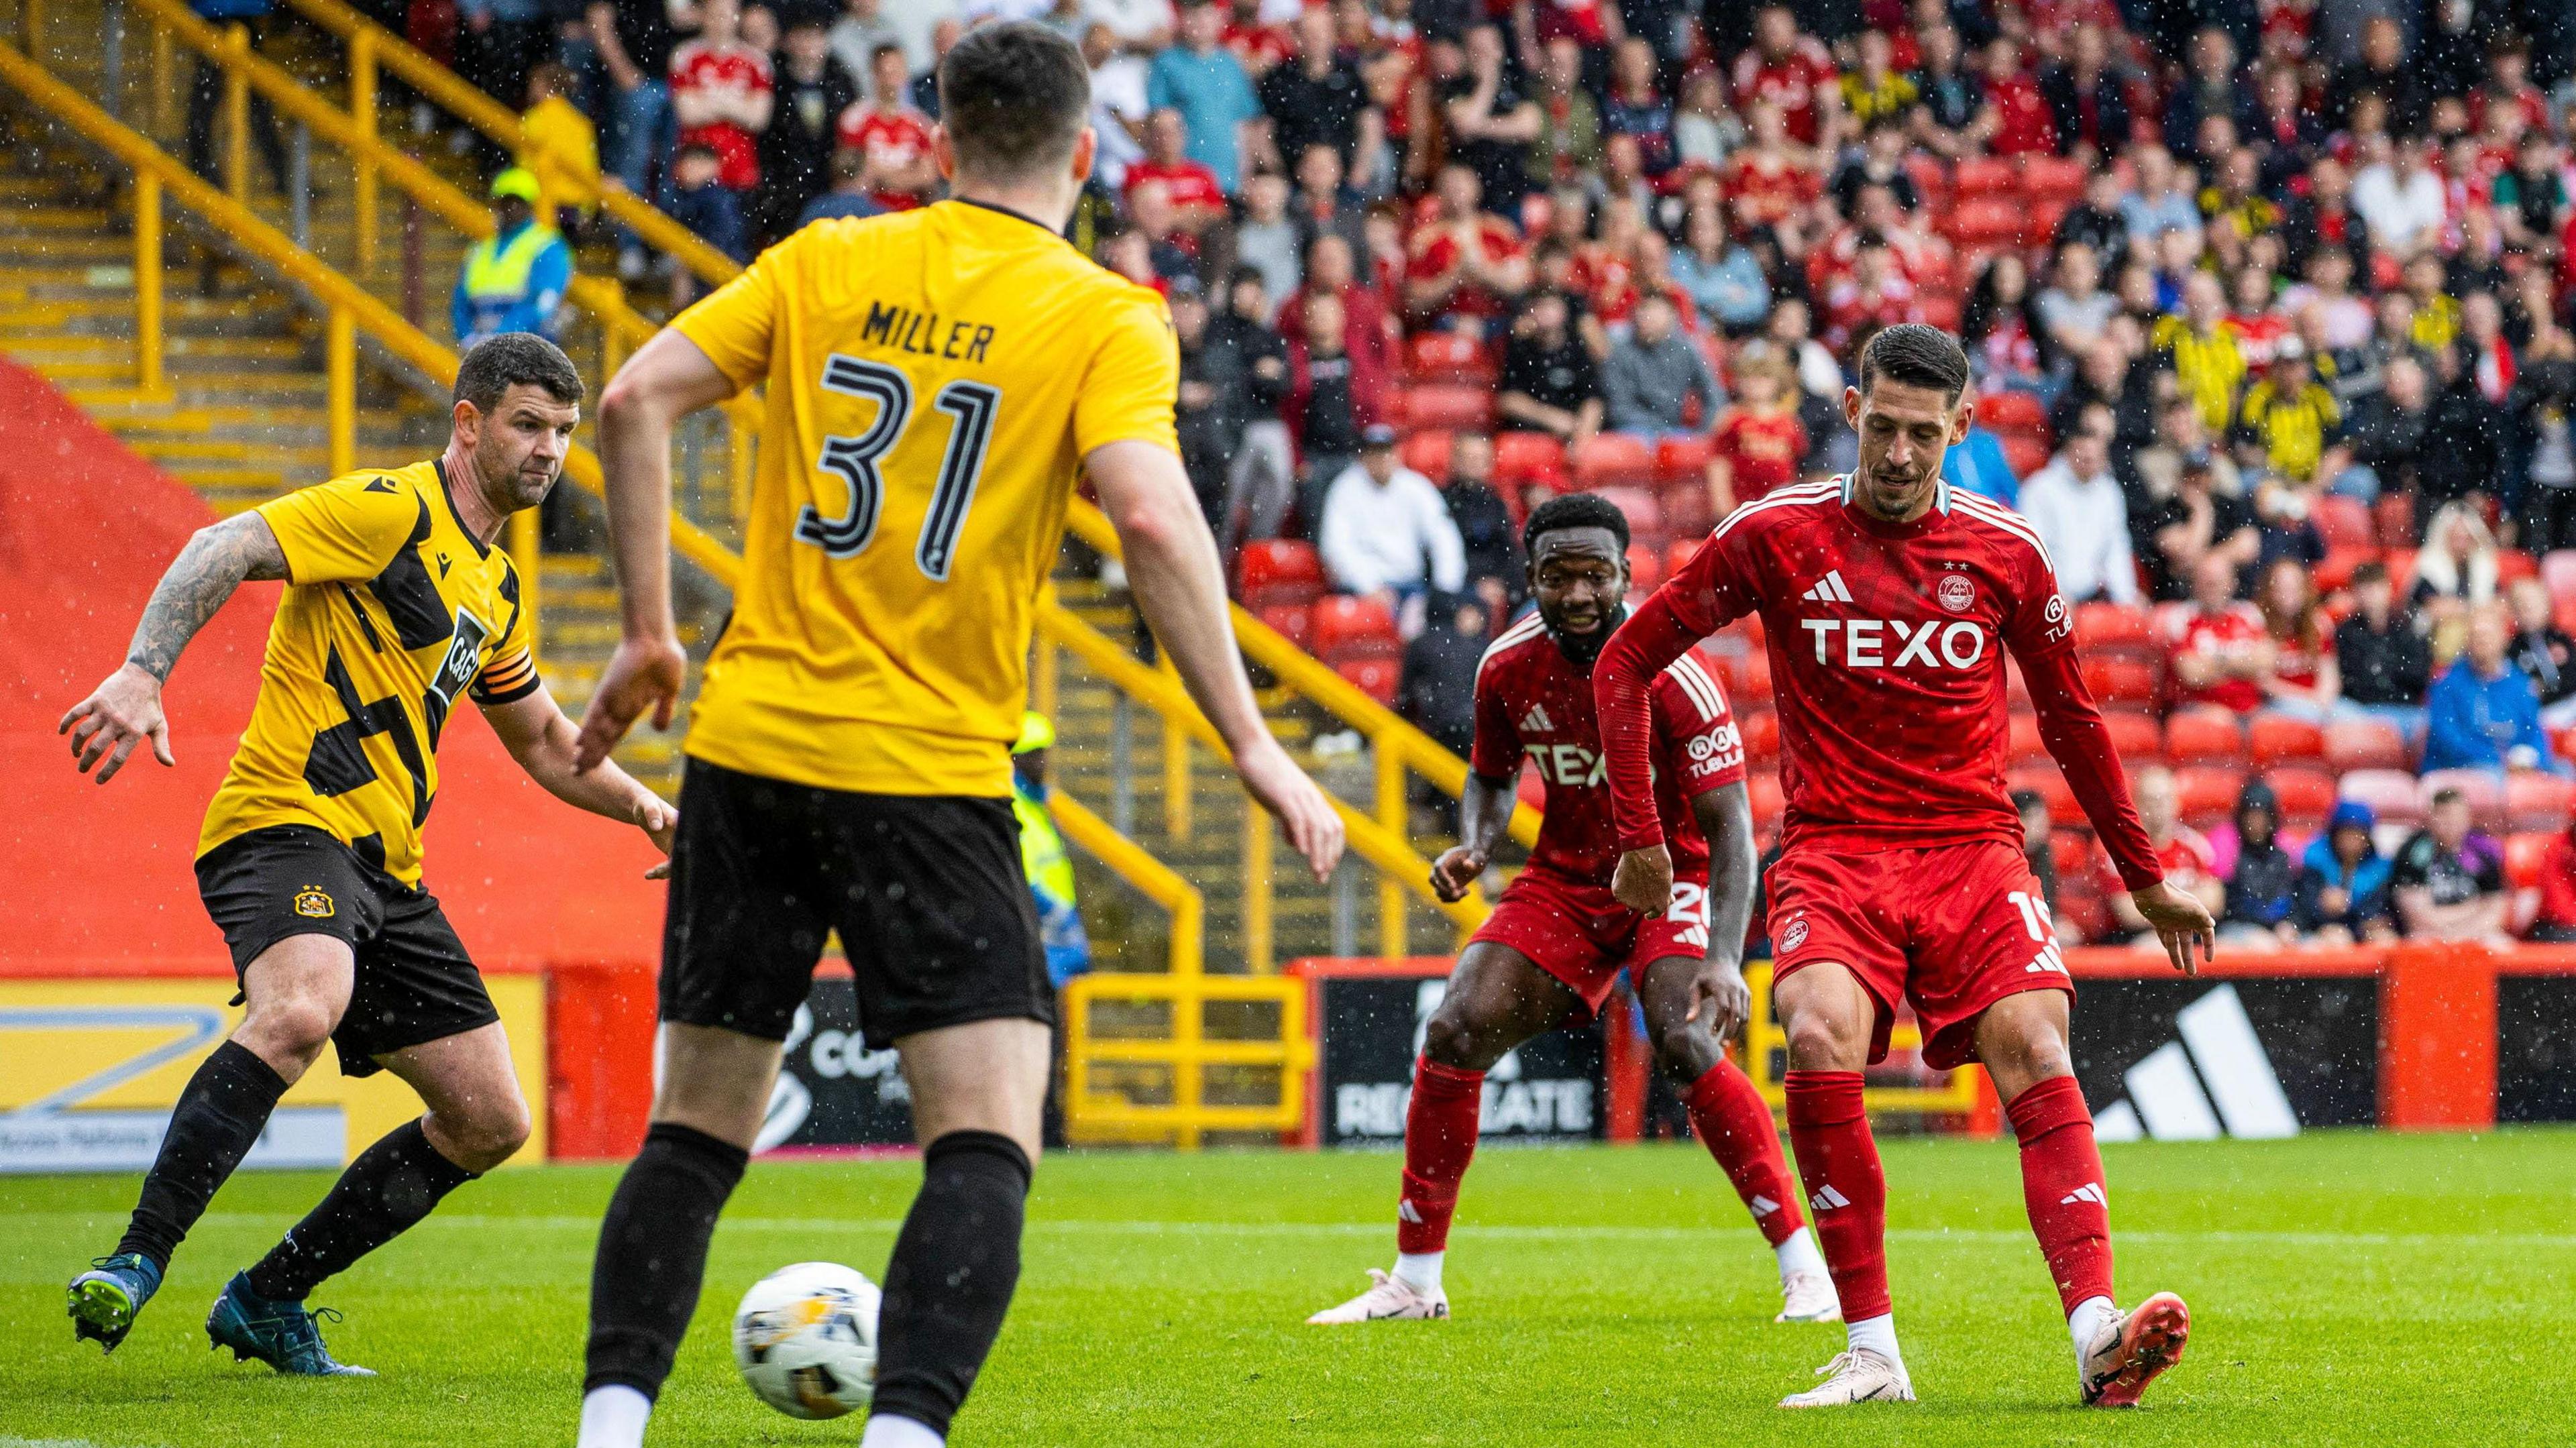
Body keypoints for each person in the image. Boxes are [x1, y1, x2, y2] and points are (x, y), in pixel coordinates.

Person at [566, 27, 1344, 1448]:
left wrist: (646, 630)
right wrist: (1251, 742)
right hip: (927, 768)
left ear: (935, 141)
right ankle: (906, 1433)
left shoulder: (823, 262)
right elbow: (1159, 519)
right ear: (1089, 157)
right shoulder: (1107, 314)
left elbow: (627, 400)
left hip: (747, 748)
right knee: (983, 1136)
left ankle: (610, 1426)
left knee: (696, 1126)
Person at [1593, 325, 2209, 1409]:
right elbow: (1626, 654)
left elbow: (2073, 720)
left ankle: (2096, 1334)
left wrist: (2145, 872)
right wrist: (1641, 834)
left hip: (1973, 848)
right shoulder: (1774, 535)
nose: (1896, 453)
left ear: (1961, 429)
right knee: (1821, 1029)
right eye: (1881, 426)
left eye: (1923, 433)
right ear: (1851, 409)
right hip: (1834, 849)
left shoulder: (2007, 550)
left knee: (2033, 1037)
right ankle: (1873, 1348)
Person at [61, 336, 675, 1372]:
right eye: (528, 424)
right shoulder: (391, 508)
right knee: (303, 1003)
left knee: (490, 1118)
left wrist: (655, 809)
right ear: (469, 421)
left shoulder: (497, 582)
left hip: (385, 871)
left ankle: (267, 1296)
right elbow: (225, 542)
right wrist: (140, 670)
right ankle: (137, 1257)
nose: (549, 451)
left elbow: (542, 742)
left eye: (565, 432)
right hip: (283, 822)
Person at [1308, 494, 1838, 1328]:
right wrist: (1478, 845)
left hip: (1675, 875)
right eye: (1559, 576)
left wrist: (1727, 957)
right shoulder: (1507, 665)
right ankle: (1415, 1280)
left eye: (1597, 574)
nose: (1580, 593)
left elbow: (1733, 829)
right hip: (1570, 879)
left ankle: (1804, 1268)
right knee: (1454, 1028)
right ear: (1531, 578)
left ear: (1630, 574)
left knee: (1684, 1033)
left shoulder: (1680, 675)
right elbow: (1489, 771)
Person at [1317, 425, 1466, 620]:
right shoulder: (1345, 488)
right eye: (1375, 453)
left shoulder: (1416, 487)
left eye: (1386, 452)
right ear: (1363, 457)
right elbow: (1335, 547)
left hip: (1411, 587)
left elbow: (1444, 538)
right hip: (1360, 589)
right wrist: (1369, 587)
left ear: (1398, 454)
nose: (1381, 459)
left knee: (1436, 620)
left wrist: (1445, 591)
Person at [2016, 409, 2141, 607]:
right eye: (2083, 449)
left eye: (2095, 453)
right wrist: (2055, 594)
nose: (2088, 456)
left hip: (2095, 599)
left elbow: (2116, 548)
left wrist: (2126, 597)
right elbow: (2032, 553)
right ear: (2070, 447)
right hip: (2047, 599)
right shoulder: (2039, 489)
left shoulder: (2110, 492)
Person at [2424, 604, 2560, 776]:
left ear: (2504, 638)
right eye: (2476, 635)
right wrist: (2499, 760)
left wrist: (2532, 758)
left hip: (2514, 768)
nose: (2482, 641)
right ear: (2467, 640)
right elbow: (2448, 739)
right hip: (2463, 771)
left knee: (2564, 772)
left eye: (2487, 635)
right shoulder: (2447, 683)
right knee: (2494, 777)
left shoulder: (2520, 684)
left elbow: (2534, 732)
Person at [1008, 714, 1090, 987]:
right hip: (1038, 936)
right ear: (1015, 759)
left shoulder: (1037, 804)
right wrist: (1054, 915)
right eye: (1033, 755)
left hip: (1055, 939)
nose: (1042, 763)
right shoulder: (1012, 806)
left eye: (1043, 754)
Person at [1149, 0, 1263, 193]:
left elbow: (1245, 124)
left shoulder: (1231, 64)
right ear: (1181, 21)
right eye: (1193, 15)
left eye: (1207, 15)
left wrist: (1247, 175)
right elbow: (1160, 121)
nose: (1201, 22)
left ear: (1220, 20)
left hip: (1230, 179)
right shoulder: (1166, 63)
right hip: (1186, 181)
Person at [452, 169, 572, 350]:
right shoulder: (479, 250)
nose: (510, 208)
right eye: (505, 201)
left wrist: (501, 337)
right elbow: (460, 302)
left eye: (518, 202)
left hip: (531, 352)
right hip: (482, 353)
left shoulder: (548, 246)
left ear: (530, 205)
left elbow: (542, 303)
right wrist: (468, 337)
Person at [2390, 786, 2510, 943]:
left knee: (2502, 945)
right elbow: (2416, 918)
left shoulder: (2484, 848)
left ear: (2468, 818)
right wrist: (2473, 908)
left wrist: (2463, 934)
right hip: (2427, 935)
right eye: (2444, 816)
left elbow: (2496, 911)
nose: (2451, 823)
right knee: (2419, 946)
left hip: (2477, 932)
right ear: (2430, 819)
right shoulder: (2413, 851)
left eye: (2457, 817)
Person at [2334, 559, 2433, 739]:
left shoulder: (2410, 628)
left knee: (2429, 725)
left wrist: (2382, 667)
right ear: (2355, 594)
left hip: (2403, 710)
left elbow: (2420, 676)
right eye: (2362, 590)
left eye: (2373, 589)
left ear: (2387, 590)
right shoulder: (2346, 631)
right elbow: (2348, 678)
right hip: (2358, 710)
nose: (2368, 596)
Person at [1603, 294, 1722, 439]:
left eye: (1654, 310)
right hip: (1634, 431)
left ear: (1672, 317)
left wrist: (1704, 431)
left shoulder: (1686, 350)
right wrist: (1662, 431)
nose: (1645, 317)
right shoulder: (1620, 354)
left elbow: (1714, 394)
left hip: (1675, 431)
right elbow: (1619, 410)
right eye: (1642, 310)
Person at [1496, 290, 1603, 447]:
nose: (1545, 312)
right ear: (1530, 313)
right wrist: (1552, 418)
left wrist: (1582, 438)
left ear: (1564, 312)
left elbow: (1594, 400)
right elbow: (1507, 400)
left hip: (1572, 434)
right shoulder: (1519, 348)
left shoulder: (1578, 349)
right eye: (1539, 307)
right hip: (1530, 436)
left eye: (1551, 306)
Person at [2295, 800, 2396, 944]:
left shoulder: (2379, 870)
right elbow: (2303, 908)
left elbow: (2379, 914)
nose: (2351, 841)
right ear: (2335, 834)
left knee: (2386, 941)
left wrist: (2352, 908)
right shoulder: (2315, 861)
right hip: (2318, 931)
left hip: (2360, 931)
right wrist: (2321, 906)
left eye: (2358, 834)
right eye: (2346, 833)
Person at [2218, 779, 2299, 948]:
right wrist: (2262, 928)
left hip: (2279, 931)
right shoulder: (2229, 851)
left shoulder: (2284, 855)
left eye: (2262, 816)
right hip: (2238, 929)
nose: (2256, 823)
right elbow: (2229, 908)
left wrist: (2291, 924)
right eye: (2251, 816)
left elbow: (2296, 901)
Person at [2508, 575, 2576, 730]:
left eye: (2533, 606)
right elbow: (2520, 685)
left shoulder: (2561, 638)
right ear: (2514, 613)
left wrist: (2546, 687)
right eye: (2522, 608)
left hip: (2570, 700)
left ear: (2547, 607)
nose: (2528, 612)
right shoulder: (2514, 648)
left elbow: (2572, 671)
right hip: (2543, 710)